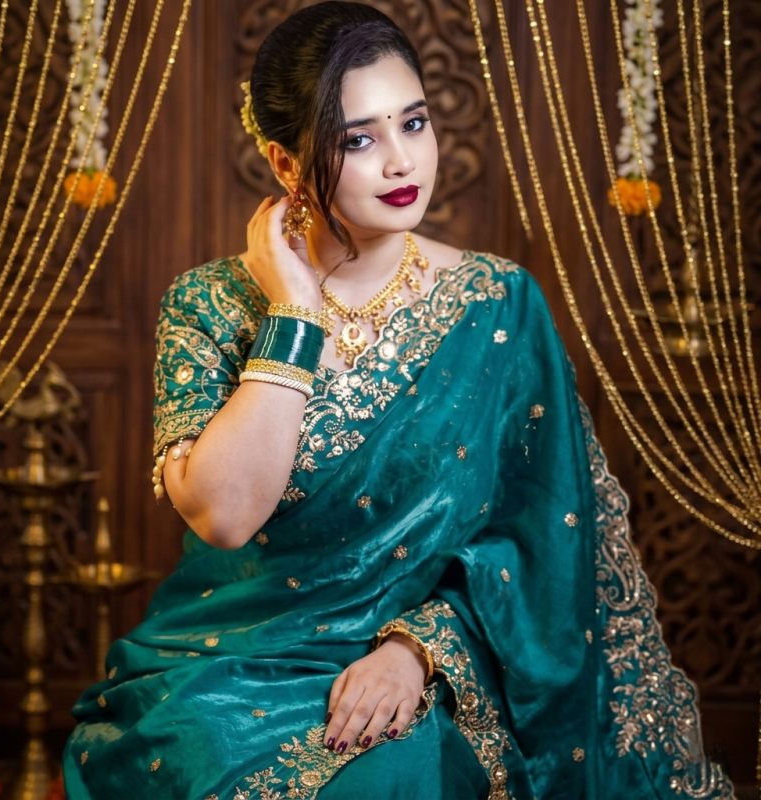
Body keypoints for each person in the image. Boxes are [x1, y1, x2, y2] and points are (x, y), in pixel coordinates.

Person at [63, 3, 734, 798]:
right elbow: (227, 515)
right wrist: (295, 317)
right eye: (359, 140)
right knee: (202, 757)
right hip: (224, 669)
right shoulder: (208, 305)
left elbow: (536, 546)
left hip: (421, 668)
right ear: (286, 164)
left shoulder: (496, 305)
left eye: (413, 123)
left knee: (396, 768)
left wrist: (416, 651)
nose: (401, 160)